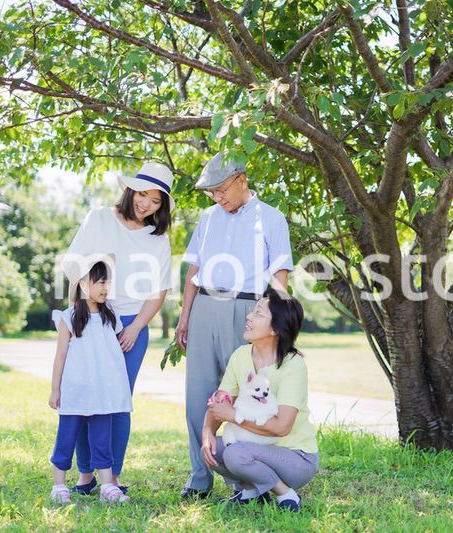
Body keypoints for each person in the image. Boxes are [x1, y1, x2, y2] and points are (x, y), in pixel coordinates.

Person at [176, 152, 294, 498]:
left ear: (242, 179)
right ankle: (200, 477)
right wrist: (185, 317)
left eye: (221, 189)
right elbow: (194, 271)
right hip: (204, 307)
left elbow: (280, 274)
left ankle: (242, 481)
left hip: (247, 311)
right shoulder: (207, 218)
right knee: (197, 397)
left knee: (244, 396)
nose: (217, 197)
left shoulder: (271, 218)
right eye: (211, 192)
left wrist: (277, 323)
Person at [61, 162, 174, 495]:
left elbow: (158, 292)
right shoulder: (99, 218)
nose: (146, 204)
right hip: (91, 318)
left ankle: (112, 477)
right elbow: (71, 266)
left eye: (156, 201)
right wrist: (94, 274)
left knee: (117, 402)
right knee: (84, 397)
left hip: (130, 325)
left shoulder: (158, 239)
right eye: (143, 195)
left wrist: (136, 327)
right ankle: (85, 475)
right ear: (131, 190)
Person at [201, 289, 318, 512]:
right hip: (256, 449)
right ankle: (251, 492)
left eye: (258, 313)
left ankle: (286, 494)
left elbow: (282, 427)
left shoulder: (293, 365)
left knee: (235, 454)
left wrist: (234, 416)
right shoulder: (241, 355)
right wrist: (207, 433)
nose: (248, 317)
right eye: (252, 311)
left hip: (296, 457)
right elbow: (220, 401)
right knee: (213, 449)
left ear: (275, 328)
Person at [48, 257, 132, 504]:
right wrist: (55, 390)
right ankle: (59, 485)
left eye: (108, 282)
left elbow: (109, 355)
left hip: (103, 392)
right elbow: (60, 356)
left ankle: (107, 486)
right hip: (76, 391)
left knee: (102, 440)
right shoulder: (68, 318)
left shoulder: (110, 316)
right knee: (66, 438)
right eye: (101, 282)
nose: (106, 287)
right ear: (84, 285)